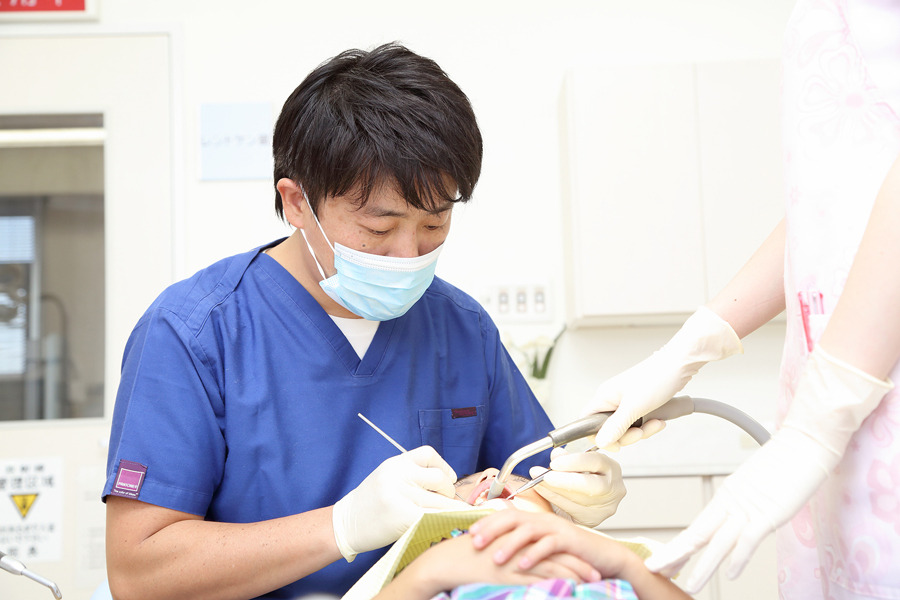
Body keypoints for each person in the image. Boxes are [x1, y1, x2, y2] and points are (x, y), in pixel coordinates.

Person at [102, 43, 626, 600]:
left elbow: (525, 483)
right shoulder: (195, 333)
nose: (409, 254)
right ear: (297, 202)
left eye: (434, 224)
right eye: (379, 229)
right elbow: (139, 572)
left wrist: (566, 495)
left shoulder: (461, 328)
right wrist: (341, 527)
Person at [558, 1, 900, 597]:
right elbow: (832, 209)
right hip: (837, 411)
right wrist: (690, 347)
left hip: (859, 397)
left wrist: (819, 422)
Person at [372, 510, 691, 600]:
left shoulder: (609, 576)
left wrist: (626, 563)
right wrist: (424, 574)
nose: (492, 476)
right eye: (470, 485)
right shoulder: (435, 578)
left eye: (522, 484)